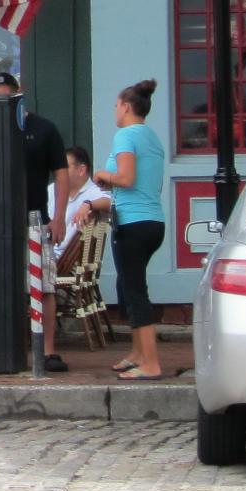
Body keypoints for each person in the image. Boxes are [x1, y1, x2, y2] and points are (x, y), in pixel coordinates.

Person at [0, 71, 70, 372]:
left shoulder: (44, 129)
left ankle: (47, 349)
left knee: (44, 285)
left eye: (6, 97)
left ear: (18, 94)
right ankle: (1, 347)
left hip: (36, 217)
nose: (1, 103)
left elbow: (61, 172)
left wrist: (59, 217)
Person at [93, 79, 168, 379]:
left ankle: (150, 363)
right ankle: (137, 353)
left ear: (126, 106)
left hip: (132, 222)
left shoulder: (126, 136)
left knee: (135, 291)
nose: (114, 110)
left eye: (115, 105)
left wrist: (102, 175)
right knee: (128, 285)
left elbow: (126, 179)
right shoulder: (152, 137)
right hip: (153, 221)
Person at [50, 145, 112, 258]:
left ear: (81, 170)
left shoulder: (94, 191)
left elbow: (111, 203)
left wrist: (88, 204)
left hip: (62, 261)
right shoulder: (51, 189)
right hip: (43, 253)